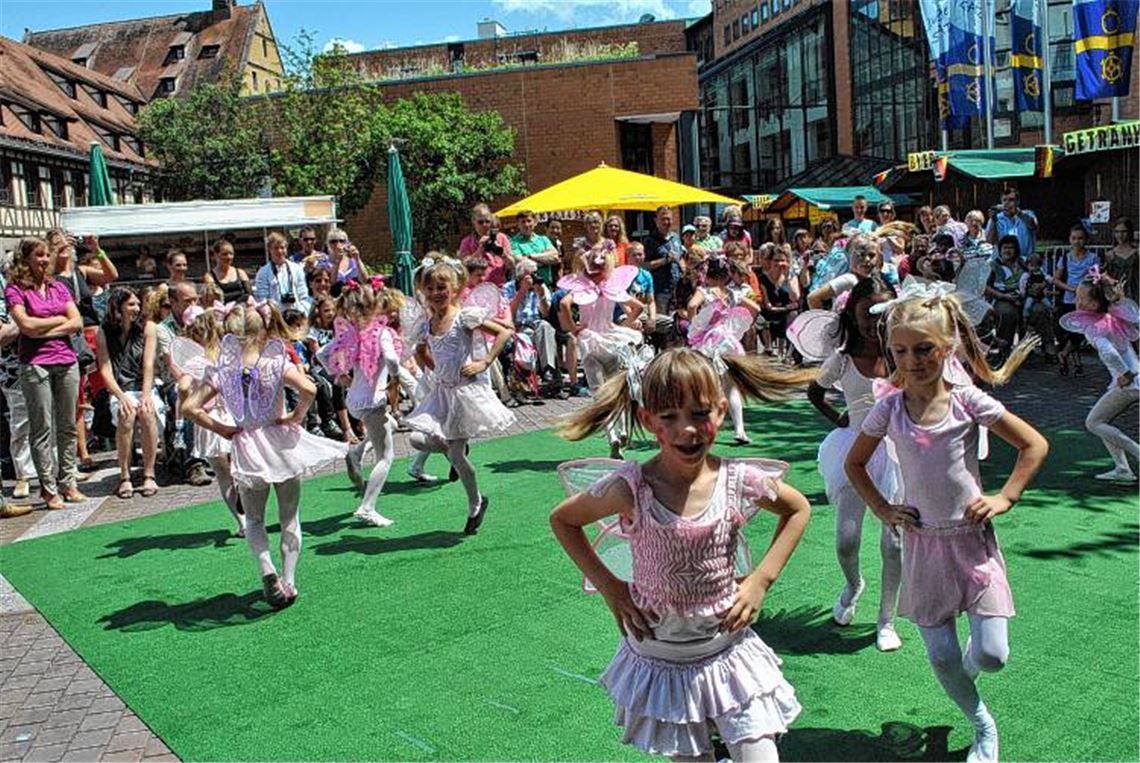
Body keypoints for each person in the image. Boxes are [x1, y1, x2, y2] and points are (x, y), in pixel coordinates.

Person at [550, 347, 812, 762]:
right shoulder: (631, 487)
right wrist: (611, 588)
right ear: (647, 419)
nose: (687, 429)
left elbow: (798, 509)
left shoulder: (737, 479)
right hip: (662, 662)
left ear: (721, 412)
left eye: (699, 413)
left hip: (727, 651)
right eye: (669, 416)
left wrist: (761, 579)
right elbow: (564, 520)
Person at [845, 286, 1048, 763]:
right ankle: (982, 723)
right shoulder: (889, 408)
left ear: (947, 348)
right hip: (922, 545)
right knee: (940, 656)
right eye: (899, 351)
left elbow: (1033, 445)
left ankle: (965, 679)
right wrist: (882, 508)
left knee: (993, 655)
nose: (911, 361)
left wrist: (1005, 496)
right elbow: (856, 465)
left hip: (972, 543)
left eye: (923, 349)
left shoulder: (967, 402)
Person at [182, 301, 348, 609]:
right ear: (263, 331)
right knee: (289, 516)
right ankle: (289, 580)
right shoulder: (275, 363)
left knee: (255, 519)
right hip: (280, 442)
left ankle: (266, 568)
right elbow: (309, 390)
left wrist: (222, 429)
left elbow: (189, 408)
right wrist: (296, 418)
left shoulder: (223, 371)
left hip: (246, 444)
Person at [803, 277, 905, 651]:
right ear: (852, 313)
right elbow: (815, 392)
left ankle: (886, 619)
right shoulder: (843, 359)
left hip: (897, 456)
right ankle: (853, 584)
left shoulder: (901, 354)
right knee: (847, 540)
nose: (875, 323)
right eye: (867, 314)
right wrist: (840, 420)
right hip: (854, 454)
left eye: (882, 314)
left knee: (894, 545)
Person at [404, 261, 516, 535]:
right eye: (429, 288)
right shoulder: (427, 324)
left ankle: (476, 503)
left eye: (441, 287)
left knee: (454, 453)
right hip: (443, 392)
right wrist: (437, 371)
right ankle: (473, 493)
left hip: (465, 394)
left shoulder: (465, 316)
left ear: (454, 289)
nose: (435, 293)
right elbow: (420, 352)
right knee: (417, 438)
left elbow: (504, 332)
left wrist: (484, 362)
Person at [4, 237, 85, 510]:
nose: (44, 259)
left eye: (46, 255)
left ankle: (68, 483)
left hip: (66, 360)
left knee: (68, 426)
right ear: (25, 258)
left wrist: (43, 328)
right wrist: (58, 321)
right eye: (39, 255)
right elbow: (25, 325)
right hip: (35, 363)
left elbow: (77, 322)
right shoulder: (16, 289)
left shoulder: (59, 287)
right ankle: (49, 490)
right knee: (42, 428)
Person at [325, 279, 404, 527]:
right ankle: (367, 507)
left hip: (354, 400)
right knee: (386, 456)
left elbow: (321, 354)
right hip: (372, 400)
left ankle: (357, 452)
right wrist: (394, 379)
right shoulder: (381, 333)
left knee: (390, 425)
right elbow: (391, 359)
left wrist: (339, 375)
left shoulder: (352, 333)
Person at [558, 241, 646, 459]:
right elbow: (639, 307)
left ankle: (613, 437)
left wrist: (573, 328)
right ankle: (624, 430)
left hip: (590, 342)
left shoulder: (581, 288)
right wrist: (623, 326)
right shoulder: (611, 287)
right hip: (611, 340)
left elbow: (564, 305)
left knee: (600, 395)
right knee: (618, 391)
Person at [171, 307, 246, 536]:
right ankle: (250, 513)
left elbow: (183, 387)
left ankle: (243, 522)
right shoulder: (230, 354)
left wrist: (189, 402)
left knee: (224, 475)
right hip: (230, 412)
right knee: (239, 467)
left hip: (209, 418)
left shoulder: (194, 360)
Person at [1059, 271, 1139, 482]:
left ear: (1094, 305)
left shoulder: (1095, 327)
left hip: (1130, 382)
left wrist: (1124, 374)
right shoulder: (1111, 318)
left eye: (1080, 298)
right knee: (1101, 420)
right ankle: (1122, 468)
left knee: (1093, 422)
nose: (1076, 301)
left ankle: (1135, 456)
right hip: (1132, 379)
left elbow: (1108, 352)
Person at [686, 256, 763, 444]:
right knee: (731, 387)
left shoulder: (705, 291)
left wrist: (695, 323)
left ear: (708, 274)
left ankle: (705, 427)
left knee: (706, 385)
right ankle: (740, 430)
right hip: (728, 340)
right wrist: (737, 322)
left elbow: (691, 305)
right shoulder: (732, 293)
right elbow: (755, 308)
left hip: (710, 342)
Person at [95, 287, 162, 500]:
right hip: (119, 389)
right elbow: (105, 370)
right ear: (119, 306)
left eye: (137, 304)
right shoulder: (103, 331)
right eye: (131, 304)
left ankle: (149, 474)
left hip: (143, 385)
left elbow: (148, 365)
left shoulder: (148, 327)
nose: (137, 308)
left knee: (147, 413)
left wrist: (145, 395)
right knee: (126, 415)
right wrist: (120, 395)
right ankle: (124, 476)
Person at [0, 266, 35, 513]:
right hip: (10, 367)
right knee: (19, 422)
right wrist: (23, 322)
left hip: (35, 360)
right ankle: (22, 476)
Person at [502, 259, 562, 395]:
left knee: (546, 327)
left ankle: (548, 370)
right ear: (520, 276)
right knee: (526, 335)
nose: (536, 276)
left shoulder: (541, 286)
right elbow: (508, 313)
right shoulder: (508, 288)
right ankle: (524, 381)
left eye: (536, 273)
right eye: (532, 274)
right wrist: (522, 291)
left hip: (536, 324)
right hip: (518, 326)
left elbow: (546, 314)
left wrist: (541, 295)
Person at [1053, 223, 1101, 376]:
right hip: (1069, 299)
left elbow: (1096, 276)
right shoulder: (1065, 258)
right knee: (1073, 331)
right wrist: (1070, 289)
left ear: (1085, 240)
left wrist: (1087, 285)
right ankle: (1077, 363)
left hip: (1086, 300)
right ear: (1070, 240)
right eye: (1074, 238)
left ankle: (1064, 354)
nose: (1077, 241)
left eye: (1080, 238)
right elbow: (1056, 279)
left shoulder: (1093, 257)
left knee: (1081, 331)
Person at [985, 236, 1026, 360]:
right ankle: (1004, 349)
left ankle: (1037, 348)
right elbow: (985, 287)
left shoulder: (1023, 262)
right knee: (1007, 313)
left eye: (1011, 248)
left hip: (1024, 297)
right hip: (1000, 298)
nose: (1008, 251)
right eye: (1005, 248)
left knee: (1040, 310)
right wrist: (1003, 296)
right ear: (1000, 249)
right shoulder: (992, 265)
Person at [457, 204, 514, 286]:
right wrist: (480, 249)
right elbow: (464, 267)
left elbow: (511, 266)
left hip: (498, 286)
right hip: (475, 288)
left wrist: (502, 253)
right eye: (480, 222)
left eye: (487, 221)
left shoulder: (502, 238)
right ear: (473, 221)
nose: (484, 225)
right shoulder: (466, 242)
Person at [642, 206, 684, 316]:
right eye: (663, 219)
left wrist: (684, 268)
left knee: (677, 321)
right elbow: (644, 265)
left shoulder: (676, 237)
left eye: (668, 219)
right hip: (661, 290)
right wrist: (665, 260)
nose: (666, 222)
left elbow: (681, 257)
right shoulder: (649, 241)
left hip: (679, 289)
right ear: (656, 221)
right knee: (663, 322)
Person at [254, 232, 311, 313]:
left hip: (296, 314)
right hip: (275, 316)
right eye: (276, 248)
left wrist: (301, 311)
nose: (280, 251)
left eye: (282, 248)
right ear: (269, 250)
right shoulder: (263, 273)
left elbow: (303, 295)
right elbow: (262, 299)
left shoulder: (297, 269)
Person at [509, 210, 561, 285]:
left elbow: (555, 257)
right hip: (527, 289)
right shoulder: (513, 243)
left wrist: (531, 256)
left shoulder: (543, 239)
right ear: (518, 224)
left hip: (547, 285)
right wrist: (546, 260)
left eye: (529, 221)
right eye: (523, 222)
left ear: (535, 222)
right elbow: (522, 264)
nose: (526, 224)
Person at [985, 188, 1037, 256]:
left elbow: (1033, 225)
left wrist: (1017, 212)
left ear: (1018, 202)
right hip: (1003, 262)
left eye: (1011, 200)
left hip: (1025, 261)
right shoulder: (996, 218)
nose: (1007, 203)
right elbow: (990, 241)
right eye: (1004, 200)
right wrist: (993, 221)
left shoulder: (1028, 214)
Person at [203, 238, 252, 304]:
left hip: (243, 307)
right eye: (224, 254)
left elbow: (249, 294)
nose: (229, 257)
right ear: (215, 255)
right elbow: (213, 298)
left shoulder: (241, 273)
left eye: (231, 254)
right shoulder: (209, 276)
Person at [1105, 217, 1138, 302]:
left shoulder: (1136, 253)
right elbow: (1107, 278)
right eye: (1117, 232)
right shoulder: (1110, 255)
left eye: (1124, 231)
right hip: (1117, 295)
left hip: (1135, 293)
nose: (1120, 235)